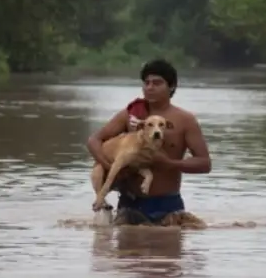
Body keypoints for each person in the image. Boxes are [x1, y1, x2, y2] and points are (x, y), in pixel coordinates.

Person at [86, 59, 211, 226]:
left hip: (166, 206)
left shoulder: (185, 120)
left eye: (157, 83)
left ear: (172, 86)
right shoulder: (131, 115)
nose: (150, 87)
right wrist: (109, 166)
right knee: (123, 248)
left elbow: (204, 164)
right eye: (146, 83)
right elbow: (94, 140)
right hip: (128, 205)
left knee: (166, 250)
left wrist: (170, 163)